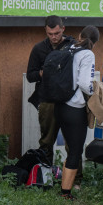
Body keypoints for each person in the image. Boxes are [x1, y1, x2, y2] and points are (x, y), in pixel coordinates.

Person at [55, 25, 100, 199]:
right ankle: (65, 193)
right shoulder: (88, 54)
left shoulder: (69, 48)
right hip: (75, 108)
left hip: (60, 105)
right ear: (94, 43)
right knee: (75, 151)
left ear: (80, 35)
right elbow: (83, 83)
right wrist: (93, 91)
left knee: (71, 149)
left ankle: (64, 187)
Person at [26, 15, 75, 157]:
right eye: (50, 34)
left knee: (72, 143)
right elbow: (30, 76)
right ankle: (46, 176)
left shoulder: (72, 46)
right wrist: (42, 73)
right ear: (45, 31)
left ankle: (74, 179)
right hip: (47, 100)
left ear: (63, 29)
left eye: (57, 33)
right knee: (46, 143)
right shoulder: (39, 48)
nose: (54, 37)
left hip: (68, 100)